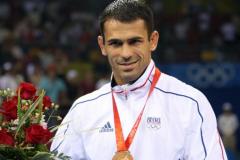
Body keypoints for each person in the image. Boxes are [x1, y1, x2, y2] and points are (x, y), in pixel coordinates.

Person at [51, 0, 227, 159]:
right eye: (116, 43)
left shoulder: (190, 104)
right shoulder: (82, 110)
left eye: (135, 42)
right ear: (102, 45)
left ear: (153, 40)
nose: (126, 53)